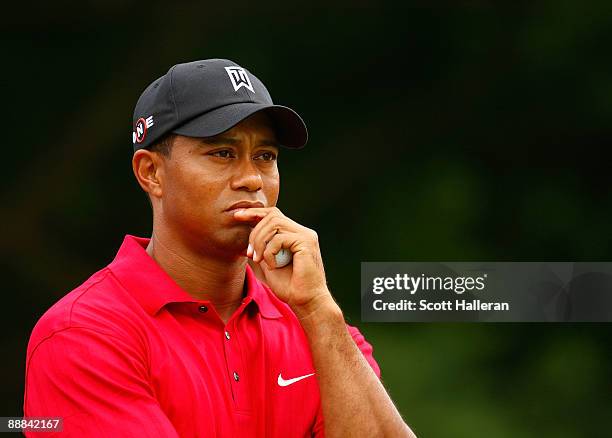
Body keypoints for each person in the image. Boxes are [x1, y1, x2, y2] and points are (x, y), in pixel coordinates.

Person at [23, 59, 416, 437]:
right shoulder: (83, 334)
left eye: (265, 156)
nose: (251, 179)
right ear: (151, 172)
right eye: (222, 153)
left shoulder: (318, 326)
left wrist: (319, 311)